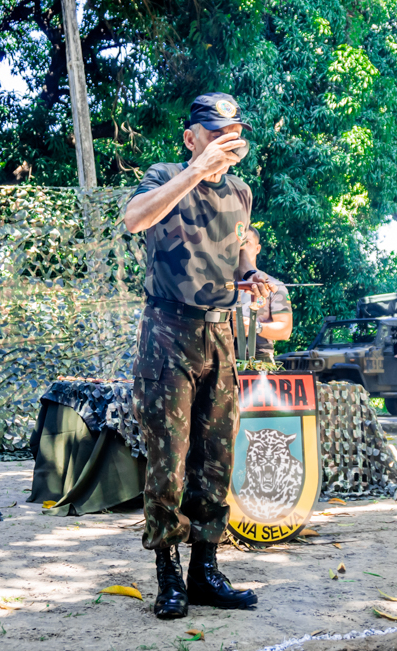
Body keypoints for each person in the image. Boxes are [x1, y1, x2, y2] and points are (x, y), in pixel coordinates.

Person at [123, 92, 274, 620]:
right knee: (167, 462)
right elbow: (134, 220)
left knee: (216, 459)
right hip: (168, 333)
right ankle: (167, 574)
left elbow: (236, 264)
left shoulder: (241, 193)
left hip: (221, 337)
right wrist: (196, 171)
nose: (228, 140)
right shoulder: (163, 176)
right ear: (192, 137)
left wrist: (251, 278)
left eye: (234, 131)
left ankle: (204, 571)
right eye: (216, 132)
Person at [237, 228, 293, 362]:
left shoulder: (273, 286)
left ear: (257, 248)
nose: (241, 249)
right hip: (220, 355)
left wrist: (253, 326)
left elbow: (285, 330)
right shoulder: (218, 285)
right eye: (237, 243)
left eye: (246, 242)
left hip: (259, 358)